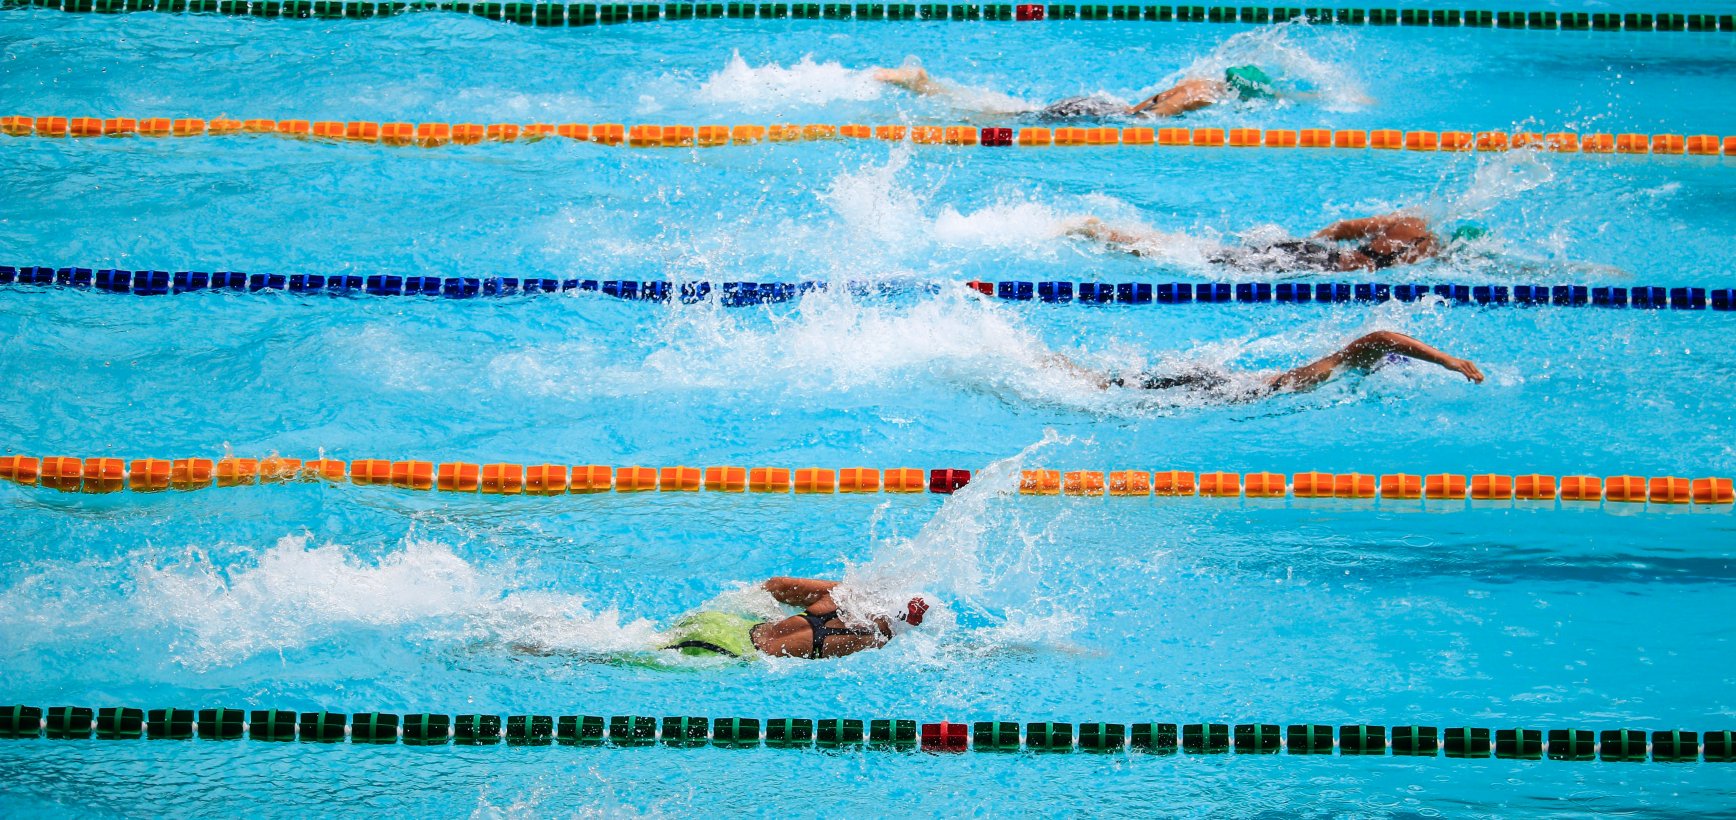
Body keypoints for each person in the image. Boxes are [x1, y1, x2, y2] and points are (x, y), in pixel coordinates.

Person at [1050, 330, 1483, 403]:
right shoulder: (1339, 365)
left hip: (1224, 385)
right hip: (1219, 386)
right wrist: (1446, 360)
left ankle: (1067, 370)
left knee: (1115, 385)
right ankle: (1061, 370)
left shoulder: (1338, 374)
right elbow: (1380, 338)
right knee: (1107, 388)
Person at [1070, 212, 1488, 272]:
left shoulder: (1408, 221)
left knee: (1209, 253)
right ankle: (1109, 236)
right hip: (1319, 267)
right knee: (1213, 263)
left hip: (1313, 253)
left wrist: (1308, 243)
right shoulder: (1427, 249)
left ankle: (1112, 233)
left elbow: (1343, 226)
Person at [873, 64, 1278, 119]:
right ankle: (922, 88)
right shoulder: (1203, 94)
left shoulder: (1198, 81)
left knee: (1016, 112)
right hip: (1104, 115)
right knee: (1007, 120)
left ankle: (926, 86)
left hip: (1102, 103)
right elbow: (1150, 119)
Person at [660, 576, 929, 660]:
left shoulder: (843, 595)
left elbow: (775, 586)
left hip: (720, 623)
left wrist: (776, 618)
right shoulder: (873, 641)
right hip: (723, 654)